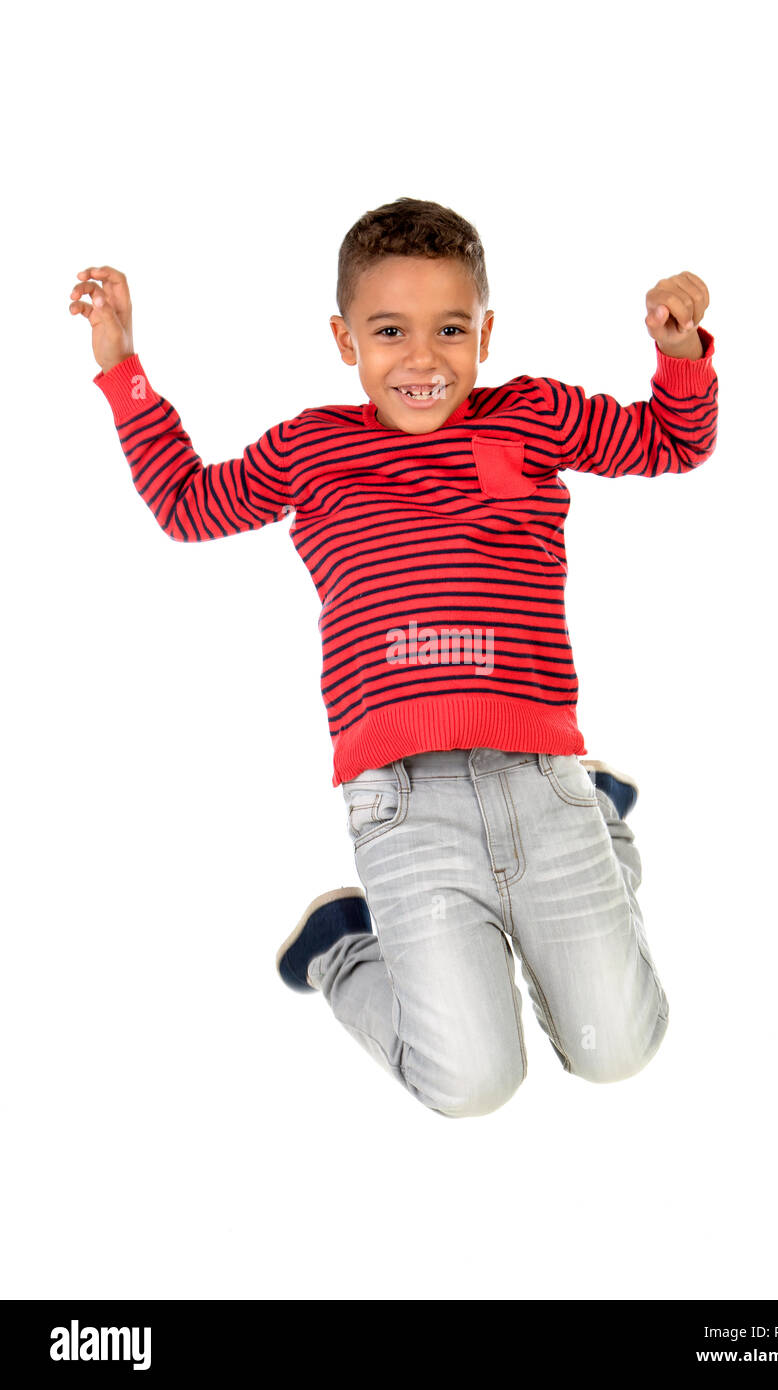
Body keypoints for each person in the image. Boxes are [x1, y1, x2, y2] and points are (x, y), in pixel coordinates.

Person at [71, 196, 718, 1119]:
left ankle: (601, 826)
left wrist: (680, 352)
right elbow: (187, 504)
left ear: (485, 332)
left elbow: (672, 442)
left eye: (450, 329)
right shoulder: (312, 447)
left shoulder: (531, 415)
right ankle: (343, 947)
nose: (422, 358)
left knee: (617, 1053)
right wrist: (124, 369)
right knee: (473, 1085)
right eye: (389, 331)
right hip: (404, 803)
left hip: (540, 772)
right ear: (345, 340)